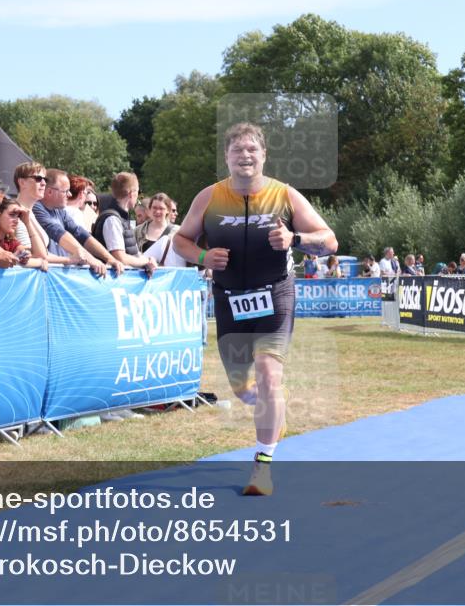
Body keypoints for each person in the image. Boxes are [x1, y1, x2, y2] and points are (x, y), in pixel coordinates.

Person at [172, 122, 337, 496]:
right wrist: (202, 255)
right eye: (237, 150)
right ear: (227, 157)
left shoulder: (285, 195)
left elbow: (329, 240)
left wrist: (295, 239)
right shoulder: (209, 197)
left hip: (275, 294)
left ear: (263, 155)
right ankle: (267, 401)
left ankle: (262, 467)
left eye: (252, 150)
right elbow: (180, 240)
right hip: (229, 299)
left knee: (268, 376)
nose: (245, 156)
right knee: (243, 386)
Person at [35, 169, 121, 276]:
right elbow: (59, 233)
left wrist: (110, 259)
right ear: (49, 192)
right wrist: (92, 260)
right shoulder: (37, 208)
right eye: (65, 191)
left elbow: (80, 234)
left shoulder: (59, 211)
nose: (70, 194)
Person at [90, 172, 157, 275]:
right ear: (131, 193)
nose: (138, 197)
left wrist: (146, 259)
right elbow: (120, 258)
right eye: (138, 192)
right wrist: (146, 261)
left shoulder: (121, 219)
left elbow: (132, 252)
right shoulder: (112, 220)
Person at [0, 197, 48, 270]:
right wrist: (40, 262)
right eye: (12, 214)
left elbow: (41, 255)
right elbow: (41, 259)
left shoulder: (10, 242)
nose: (16, 220)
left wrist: (27, 222)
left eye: (18, 216)